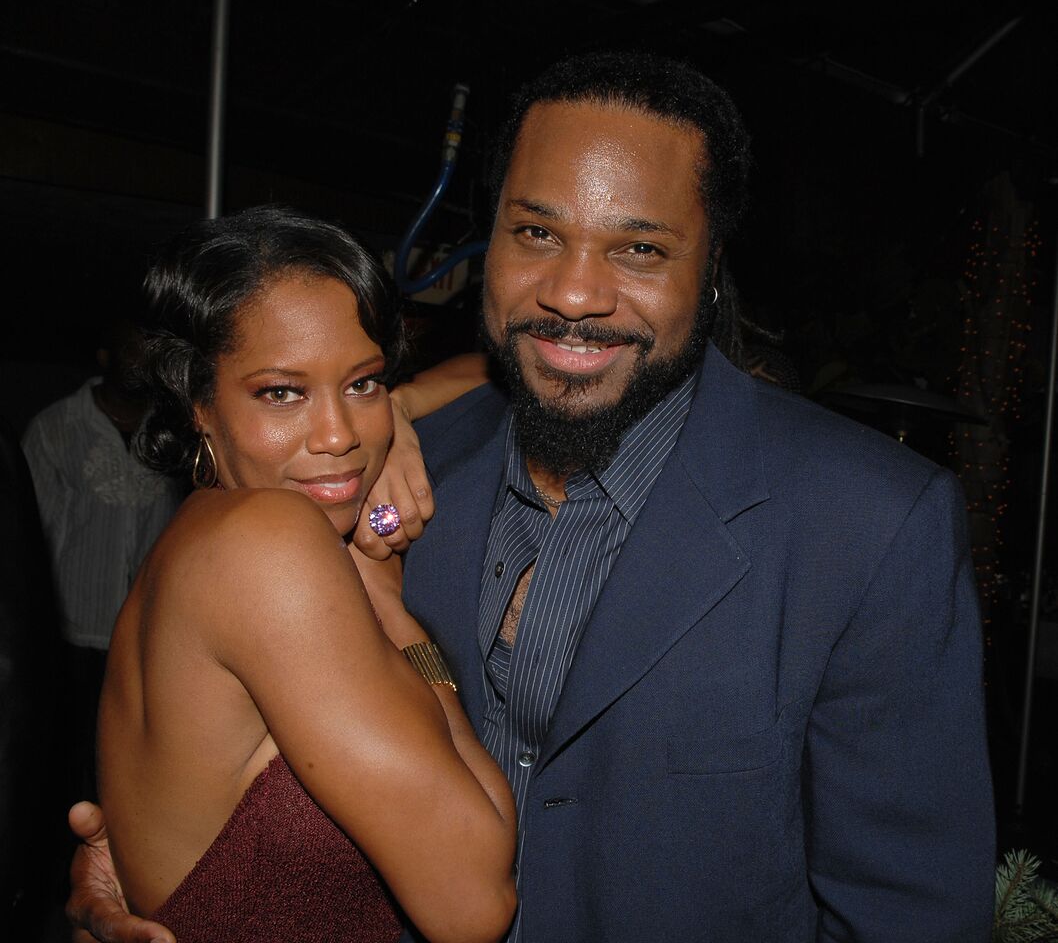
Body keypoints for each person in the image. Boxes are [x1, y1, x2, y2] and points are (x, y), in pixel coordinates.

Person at [70, 53, 994, 942]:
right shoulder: (373, 496)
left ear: (710, 271)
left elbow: (908, 914)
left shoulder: (869, 523)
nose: (574, 293)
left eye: (638, 247)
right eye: (537, 233)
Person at [88, 206, 516, 943]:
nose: (339, 437)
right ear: (200, 405)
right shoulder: (266, 541)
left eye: (362, 384)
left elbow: (497, 368)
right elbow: (475, 902)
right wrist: (390, 608)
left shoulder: (193, 540)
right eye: (281, 392)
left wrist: (402, 410)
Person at [21, 318, 185, 799]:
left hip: (147, 634)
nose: (140, 363)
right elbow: (32, 537)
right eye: (128, 351)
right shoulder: (56, 428)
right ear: (104, 358)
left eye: (147, 353)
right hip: (74, 633)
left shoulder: (173, 432)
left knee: (136, 764)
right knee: (68, 763)